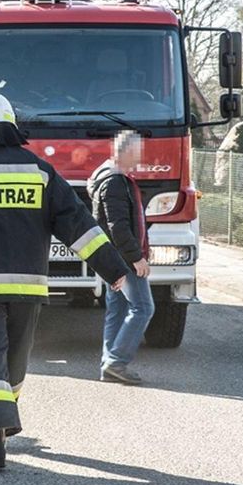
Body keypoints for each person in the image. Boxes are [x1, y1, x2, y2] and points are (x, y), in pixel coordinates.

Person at [0, 90, 130, 471]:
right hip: (26, 288)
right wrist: (113, 269)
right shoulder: (39, 170)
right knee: (14, 362)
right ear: (13, 126)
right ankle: (1, 421)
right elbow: (78, 224)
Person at [88, 130, 154, 384]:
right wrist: (136, 258)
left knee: (117, 308)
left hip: (113, 258)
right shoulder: (114, 181)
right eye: (137, 152)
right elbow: (117, 226)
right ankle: (117, 361)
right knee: (143, 308)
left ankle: (109, 363)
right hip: (123, 259)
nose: (139, 158)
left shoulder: (108, 177)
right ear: (126, 152)